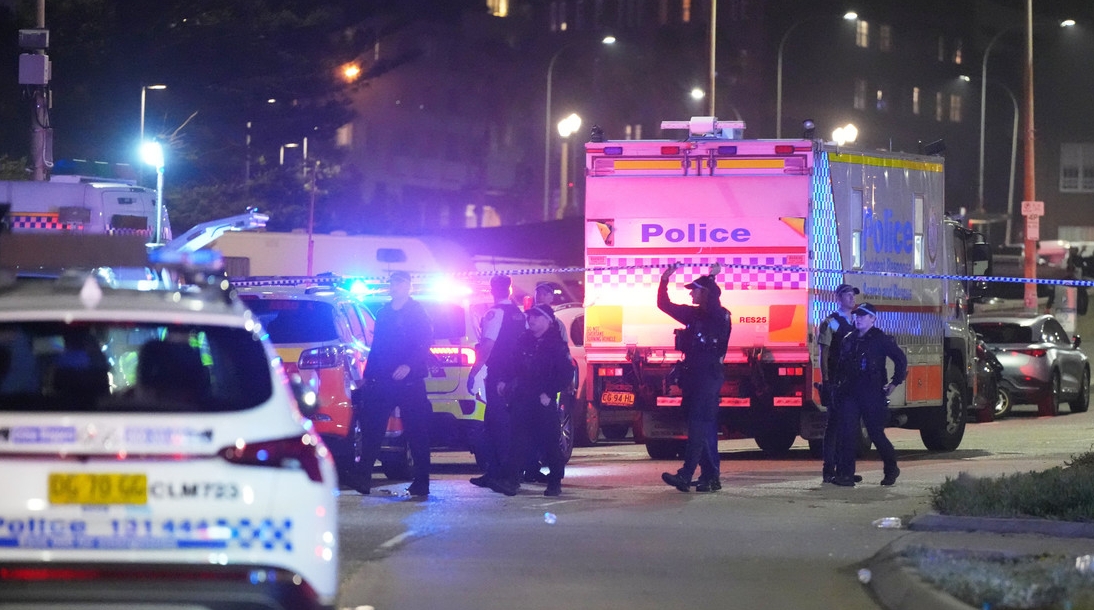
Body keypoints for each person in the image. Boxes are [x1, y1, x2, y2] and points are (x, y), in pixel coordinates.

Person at [355, 270, 434, 497]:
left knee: (417, 431)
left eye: (399, 283)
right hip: (384, 379)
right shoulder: (384, 312)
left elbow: (424, 343)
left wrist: (409, 366)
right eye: (392, 282)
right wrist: (368, 376)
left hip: (410, 381)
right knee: (373, 428)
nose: (394, 286)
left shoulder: (417, 312)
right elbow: (377, 346)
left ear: (409, 286)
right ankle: (363, 478)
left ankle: (422, 482)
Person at [657, 263, 731, 493]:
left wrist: (710, 278)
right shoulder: (693, 313)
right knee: (701, 427)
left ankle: (686, 474)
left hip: (708, 378)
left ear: (705, 293)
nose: (690, 293)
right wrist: (664, 280)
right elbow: (663, 304)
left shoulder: (720, 317)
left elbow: (714, 312)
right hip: (693, 378)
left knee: (699, 426)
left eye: (695, 290)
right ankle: (710, 476)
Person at [492, 304, 574, 497]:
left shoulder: (556, 345)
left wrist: (549, 392)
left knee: (550, 442)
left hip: (543, 400)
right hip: (522, 397)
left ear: (548, 320)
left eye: (537, 317)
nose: (532, 321)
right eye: (530, 317)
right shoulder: (523, 341)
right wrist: (503, 381)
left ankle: (554, 482)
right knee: (518, 440)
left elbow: (565, 373)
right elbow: (511, 364)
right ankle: (512, 481)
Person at [830, 302, 907, 487]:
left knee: (875, 433)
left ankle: (891, 469)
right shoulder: (849, 338)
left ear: (873, 318)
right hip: (850, 393)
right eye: (857, 315)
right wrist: (836, 388)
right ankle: (846, 475)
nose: (859, 319)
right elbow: (839, 365)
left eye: (863, 316)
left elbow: (900, 359)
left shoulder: (880, 339)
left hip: (872, 393)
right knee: (848, 433)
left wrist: (895, 383)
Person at [467, 274, 527, 491]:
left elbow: (488, 345)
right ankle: (496, 473)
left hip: (499, 374)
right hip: (517, 376)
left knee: (496, 425)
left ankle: (502, 474)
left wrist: (474, 371)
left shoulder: (495, 313)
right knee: (505, 424)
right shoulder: (519, 314)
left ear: (493, 290)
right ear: (509, 290)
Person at [816, 283, 862, 484]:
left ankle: (845, 469)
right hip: (836, 380)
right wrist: (826, 380)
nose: (852, 298)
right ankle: (829, 470)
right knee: (834, 426)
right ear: (839, 299)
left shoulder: (856, 321)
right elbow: (824, 352)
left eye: (853, 295)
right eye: (848, 295)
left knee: (848, 425)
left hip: (851, 381)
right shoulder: (832, 322)